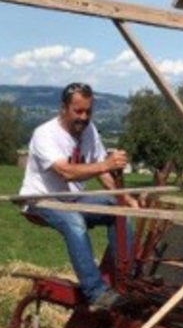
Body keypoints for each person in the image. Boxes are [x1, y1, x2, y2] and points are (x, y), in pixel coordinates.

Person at [21, 83, 136, 311]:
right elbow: (65, 172)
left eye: (88, 111)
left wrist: (124, 198)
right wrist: (106, 164)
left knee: (118, 211)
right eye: (78, 111)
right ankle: (96, 293)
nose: (84, 117)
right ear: (64, 108)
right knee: (74, 222)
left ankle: (125, 278)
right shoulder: (45, 134)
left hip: (71, 199)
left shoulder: (90, 131)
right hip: (41, 199)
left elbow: (103, 173)